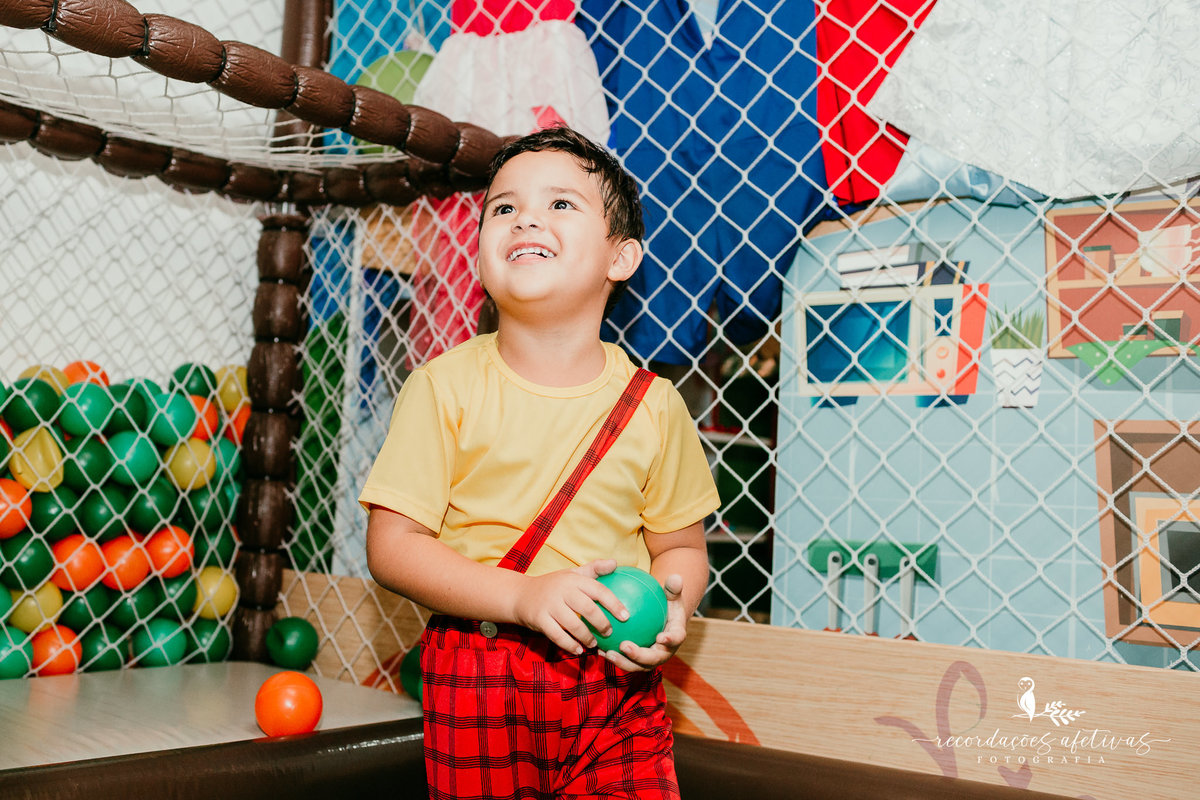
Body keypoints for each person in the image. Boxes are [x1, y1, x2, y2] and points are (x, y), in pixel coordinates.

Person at [360, 125, 721, 800]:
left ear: (621, 258)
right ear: (480, 256)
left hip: (616, 684)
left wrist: (675, 608)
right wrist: (522, 597)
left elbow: (680, 549)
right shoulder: (442, 386)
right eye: (503, 207)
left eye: (560, 204)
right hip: (482, 670)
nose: (525, 215)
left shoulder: (655, 405)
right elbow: (393, 547)